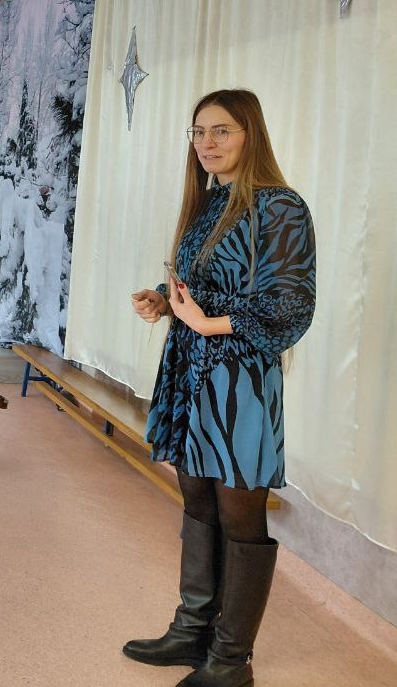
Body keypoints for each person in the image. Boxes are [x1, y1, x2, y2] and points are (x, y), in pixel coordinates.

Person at [124, 89, 315, 687]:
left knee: (239, 509)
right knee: (198, 499)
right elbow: (200, 285)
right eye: (199, 132)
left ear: (250, 133)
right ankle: (192, 630)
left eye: (221, 131)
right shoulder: (208, 202)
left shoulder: (280, 206)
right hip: (190, 372)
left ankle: (232, 661)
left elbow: (291, 304)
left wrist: (210, 324)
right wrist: (165, 300)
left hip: (241, 381)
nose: (207, 143)